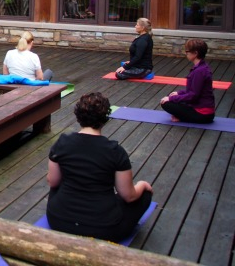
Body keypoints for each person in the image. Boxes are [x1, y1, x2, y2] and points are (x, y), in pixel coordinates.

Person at [47, 92, 153, 242]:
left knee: (57, 183)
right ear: (104, 119)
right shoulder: (115, 151)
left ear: (78, 117)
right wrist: (142, 185)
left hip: (59, 221)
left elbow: (53, 182)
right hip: (103, 229)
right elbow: (128, 196)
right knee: (145, 196)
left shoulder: (62, 143)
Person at [159, 39, 215, 123]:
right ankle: (182, 115)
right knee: (170, 97)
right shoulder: (202, 67)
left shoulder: (199, 71)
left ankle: (182, 118)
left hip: (203, 114)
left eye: (187, 51)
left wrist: (172, 98)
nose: (186, 53)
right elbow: (195, 90)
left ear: (195, 53)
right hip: (203, 109)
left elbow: (193, 96)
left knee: (165, 103)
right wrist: (179, 93)